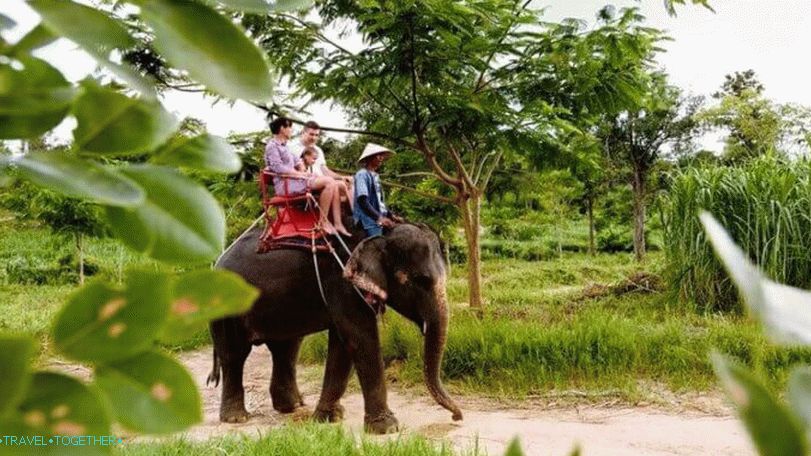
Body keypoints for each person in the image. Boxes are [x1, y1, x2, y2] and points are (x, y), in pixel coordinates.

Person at [264, 117, 351, 237]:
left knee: (332, 182)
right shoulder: (272, 146)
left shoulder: (284, 146)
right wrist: (299, 174)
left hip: (295, 180)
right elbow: (277, 168)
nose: (291, 130)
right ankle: (323, 222)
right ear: (282, 129)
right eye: (289, 127)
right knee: (329, 182)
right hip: (286, 184)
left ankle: (337, 223)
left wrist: (300, 165)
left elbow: (296, 160)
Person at [289, 120, 354, 209]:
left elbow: (325, 171)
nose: (314, 138)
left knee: (350, 184)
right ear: (303, 132)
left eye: (316, 135)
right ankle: (356, 216)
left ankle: (355, 217)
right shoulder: (293, 148)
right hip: (307, 183)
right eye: (311, 134)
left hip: (323, 181)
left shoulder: (318, 150)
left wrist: (341, 177)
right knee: (339, 185)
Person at [353, 143, 402, 237]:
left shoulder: (376, 176)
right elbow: (362, 200)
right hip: (368, 219)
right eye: (378, 155)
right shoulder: (362, 174)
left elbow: (380, 202)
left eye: (382, 155)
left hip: (379, 215)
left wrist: (391, 215)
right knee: (378, 245)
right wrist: (379, 218)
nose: (381, 158)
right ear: (369, 158)